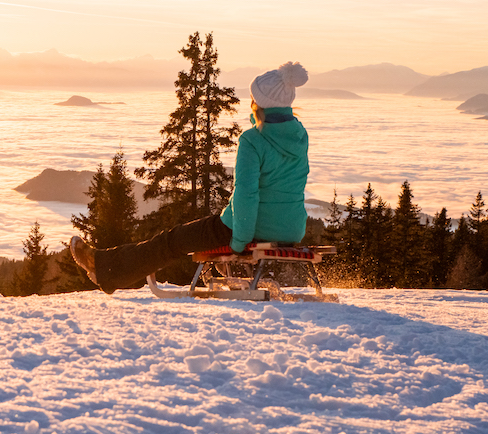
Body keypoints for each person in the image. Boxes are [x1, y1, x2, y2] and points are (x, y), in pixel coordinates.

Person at [70, 61, 310, 294]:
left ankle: (104, 267)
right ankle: (108, 269)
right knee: (181, 237)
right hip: (291, 229)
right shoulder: (300, 135)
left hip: (251, 227)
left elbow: (247, 194)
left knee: (171, 241)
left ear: (259, 103)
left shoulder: (252, 140)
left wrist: (239, 242)